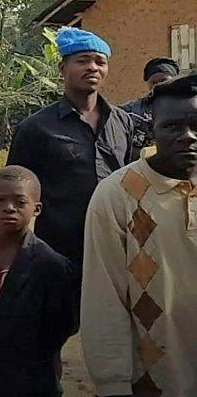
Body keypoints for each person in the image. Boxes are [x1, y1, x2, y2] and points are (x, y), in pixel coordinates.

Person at [82, 73, 197, 397]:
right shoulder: (117, 195)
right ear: (152, 127)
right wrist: (113, 382)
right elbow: (104, 296)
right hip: (154, 380)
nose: (188, 137)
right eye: (173, 127)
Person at [6, 28, 134, 274]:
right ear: (62, 68)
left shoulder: (123, 122)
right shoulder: (35, 128)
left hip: (116, 244)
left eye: (100, 62)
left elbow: (129, 180)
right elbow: (16, 193)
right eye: (82, 60)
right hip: (60, 251)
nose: (93, 68)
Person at [0, 166, 77, 397]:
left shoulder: (51, 265)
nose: (9, 208)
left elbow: (63, 325)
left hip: (29, 378)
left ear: (37, 208)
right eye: (0, 200)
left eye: (20, 202)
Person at [121, 57, 179, 157]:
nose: (158, 86)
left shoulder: (187, 108)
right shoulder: (130, 112)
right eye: (154, 82)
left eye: (164, 80)